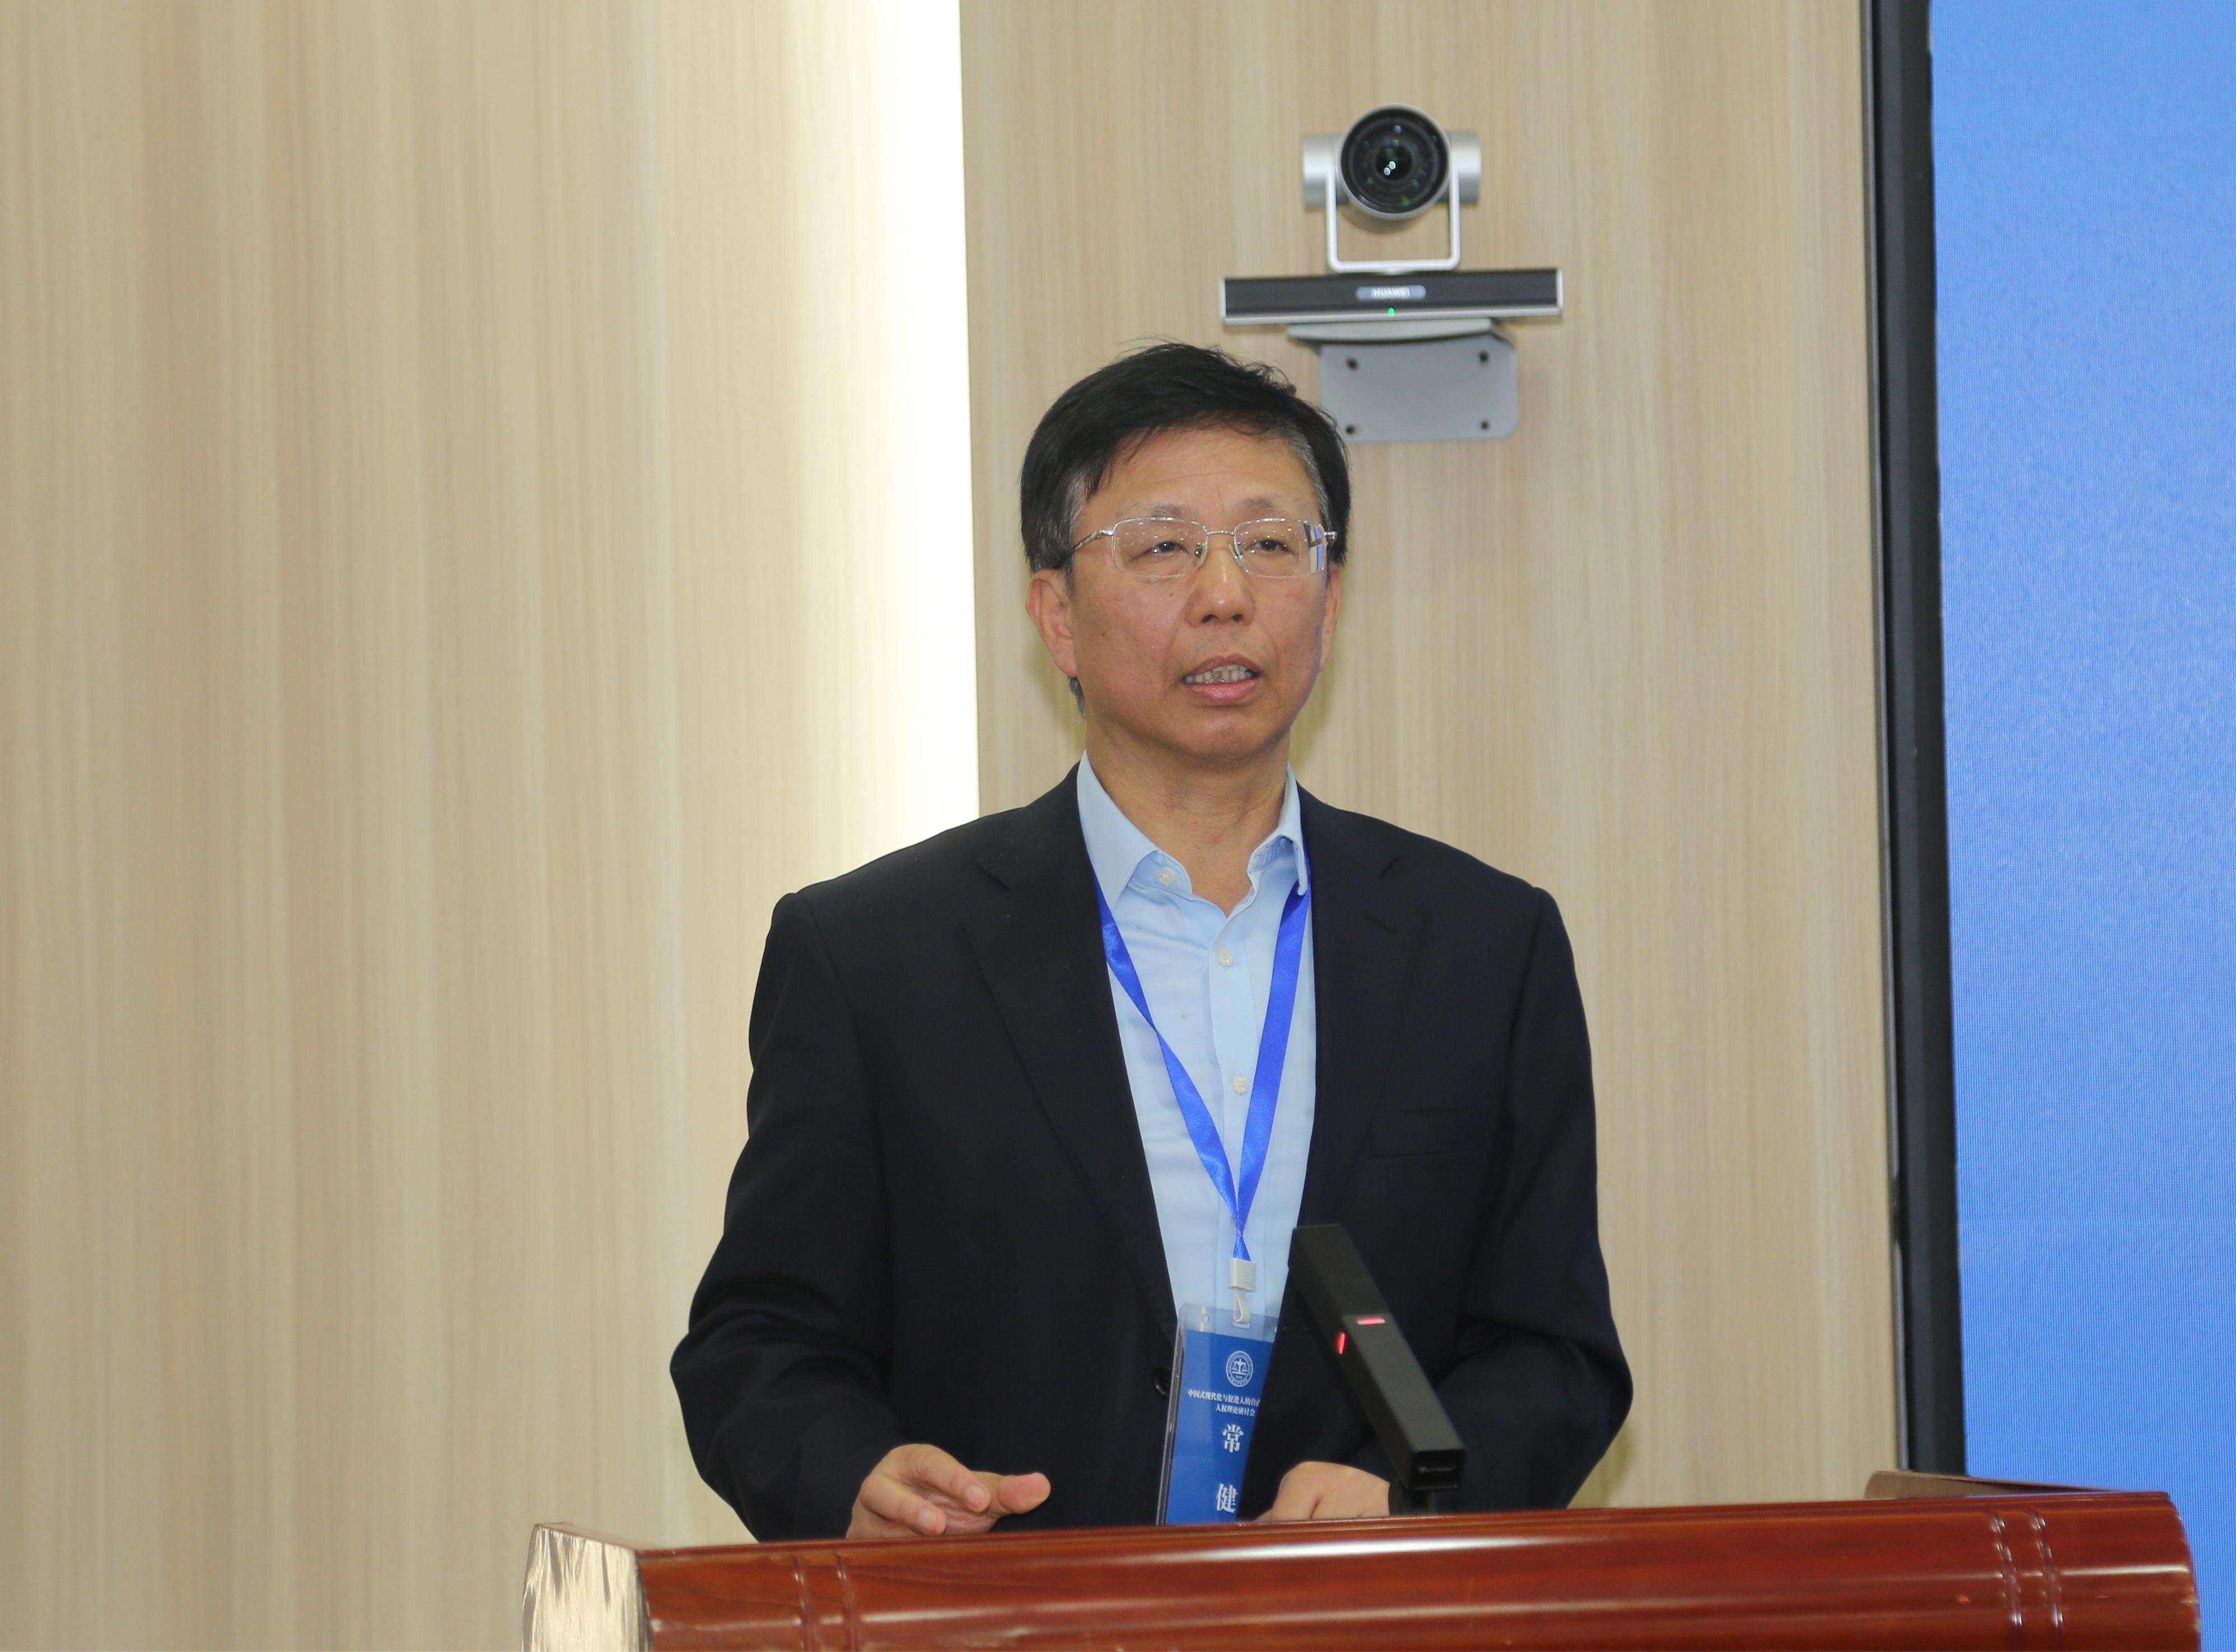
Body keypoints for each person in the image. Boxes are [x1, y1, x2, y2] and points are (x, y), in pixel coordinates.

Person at [672, 342, 1628, 1539]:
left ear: (1329, 601)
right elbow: (758, 1347)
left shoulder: (1483, 946)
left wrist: (1415, 1494)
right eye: (1164, 547)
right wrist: (855, 1473)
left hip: (1358, 1614)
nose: (1225, 594)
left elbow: (1555, 1356)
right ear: (1056, 616)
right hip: (1014, 1609)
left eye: (1271, 544)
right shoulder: (874, 957)